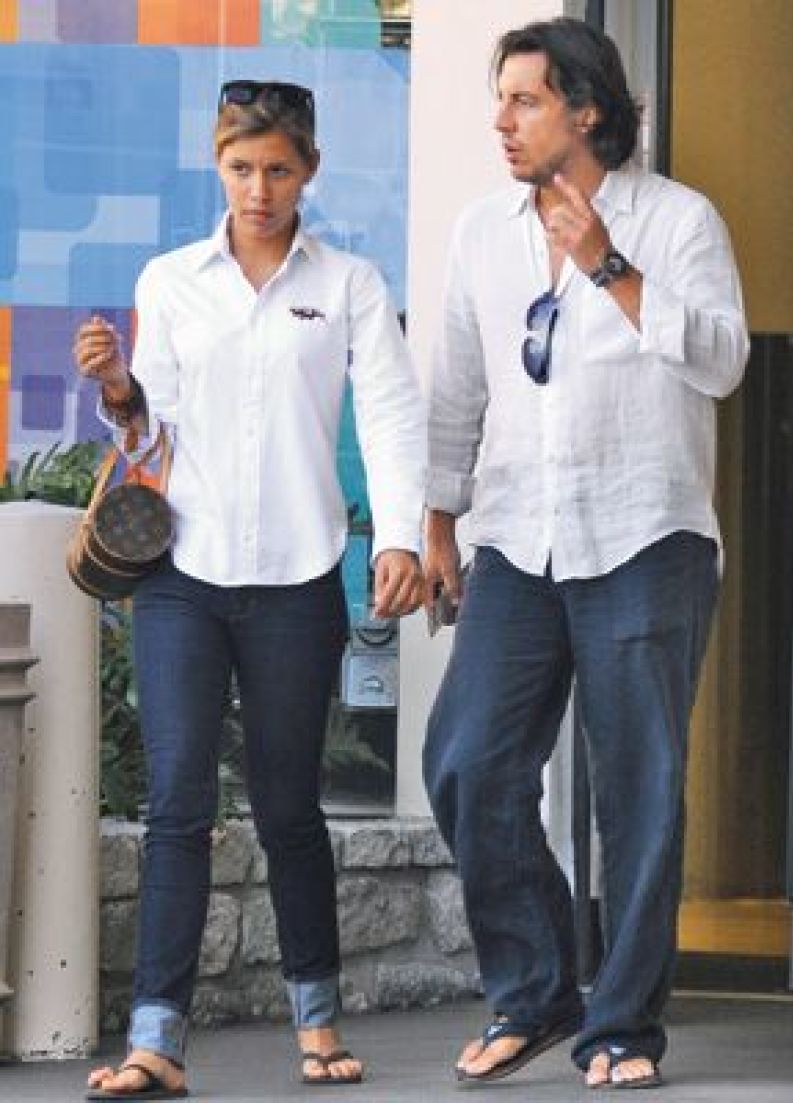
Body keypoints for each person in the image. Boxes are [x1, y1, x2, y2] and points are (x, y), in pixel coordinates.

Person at [74, 78, 425, 1099]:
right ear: (217, 166)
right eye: (240, 168)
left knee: (287, 807)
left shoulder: (350, 283)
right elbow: (152, 438)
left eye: (277, 169)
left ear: (308, 169)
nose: (258, 190)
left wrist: (400, 536)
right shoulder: (171, 280)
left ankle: (317, 1018)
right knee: (178, 804)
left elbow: (391, 413)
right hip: (182, 575)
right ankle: (155, 1040)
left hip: (297, 578)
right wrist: (118, 391)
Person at [422, 17, 748, 1091]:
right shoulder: (481, 232)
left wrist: (606, 263)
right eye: (500, 98)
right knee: (466, 760)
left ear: (587, 109)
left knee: (637, 791)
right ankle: (535, 989)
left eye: (525, 100)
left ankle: (622, 1025)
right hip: (518, 535)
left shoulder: (678, 219)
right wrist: (438, 519)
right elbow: (459, 384)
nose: (501, 121)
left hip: (644, 534)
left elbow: (721, 361)